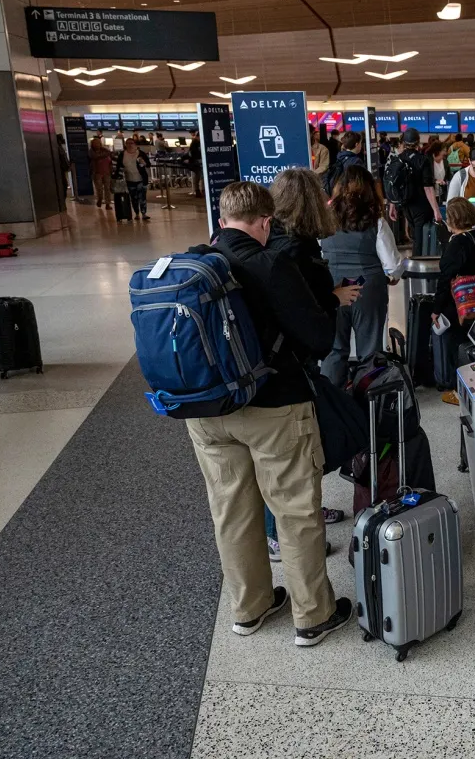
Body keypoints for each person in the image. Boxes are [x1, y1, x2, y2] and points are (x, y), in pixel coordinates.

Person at [189, 181, 352, 648]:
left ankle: (250, 608)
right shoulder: (271, 262)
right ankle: (313, 616)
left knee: (232, 511)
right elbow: (319, 338)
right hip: (273, 406)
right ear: (264, 222)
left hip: (206, 411)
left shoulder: (199, 261)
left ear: (221, 220)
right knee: (296, 510)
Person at [267, 168, 362, 551]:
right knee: (293, 454)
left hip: (275, 359)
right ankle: (286, 536)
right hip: (293, 364)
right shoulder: (299, 251)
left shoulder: (271, 240)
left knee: (292, 456)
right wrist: (333, 299)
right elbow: (304, 313)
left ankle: (305, 514)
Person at [320, 165, 403, 387]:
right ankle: (369, 400)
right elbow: (393, 264)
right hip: (367, 287)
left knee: (335, 349)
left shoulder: (324, 219)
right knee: (370, 350)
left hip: (332, 287)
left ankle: (332, 402)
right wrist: (393, 276)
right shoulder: (376, 221)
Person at [433, 197, 475, 405]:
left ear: (453, 219)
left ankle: (457, 389)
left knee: (456, 345)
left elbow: (445, 278)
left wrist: (436, 308)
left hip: (459, 305)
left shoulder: (457, 244)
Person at [392, 128, 441, 256]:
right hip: (421, 205)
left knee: (415, 235)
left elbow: (393, 184)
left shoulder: (398, 159)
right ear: (418, 142)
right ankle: (418, 266)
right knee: (420, 238)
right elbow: (428, 187)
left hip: (406, 204)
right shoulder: (422, 160)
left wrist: (393, 204)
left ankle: (416, 262)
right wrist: (436, 210)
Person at [113, 138, 151, 221]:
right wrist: (117, 177)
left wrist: (144, 163)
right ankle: (137, 213)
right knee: (134, 198)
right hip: (129, 179)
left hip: (141, 179)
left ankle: (144, 213)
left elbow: (148, 164)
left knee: (142, 197)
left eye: (131, 143)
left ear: (135, 145)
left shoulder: (141, 154)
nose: (130, 145)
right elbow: (119, 167)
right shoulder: (122, 154)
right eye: (128, 143)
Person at [89, 136, 113, 209]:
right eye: (95, 143)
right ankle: (100, 199)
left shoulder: (105, 151)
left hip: (107, 173)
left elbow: (110, 156)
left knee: (107, 189)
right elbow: (95, 157)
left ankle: (107, 204)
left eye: (98, 143)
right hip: (97, 173)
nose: (97, 145)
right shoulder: (91, 152)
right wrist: (106, 153)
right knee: (99, 189)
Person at [429, 140, 449, 204]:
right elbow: (423, 178)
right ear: (437, 151)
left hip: (441, 195)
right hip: (430, 196)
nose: (445, 153)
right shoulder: (427, 161)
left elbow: (449, 177)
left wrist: (446, 182)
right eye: (444, 150)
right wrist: (435, 181)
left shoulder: (445, 162)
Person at [186, 130, 202, 197]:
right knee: (197, 177)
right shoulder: (195, 142)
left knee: (198, 177)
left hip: (196, 161)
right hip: (196, 162)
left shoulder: (196, 142)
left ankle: (198, 190)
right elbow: (193, 152)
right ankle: (197, 191)